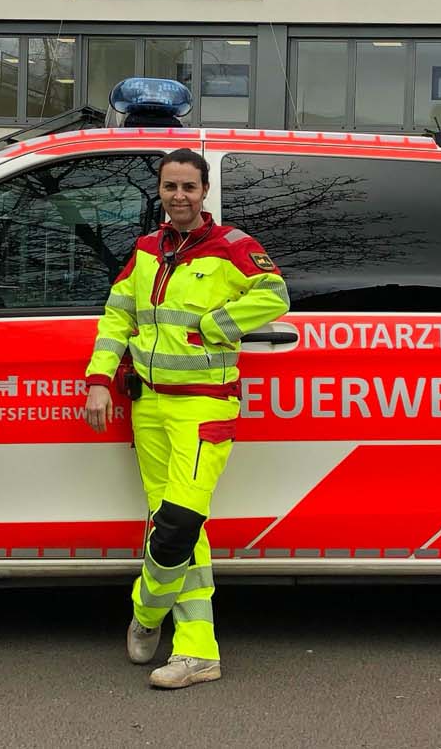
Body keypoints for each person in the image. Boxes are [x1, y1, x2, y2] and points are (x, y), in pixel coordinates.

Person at [82, 148, 290, 690]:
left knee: (177, 523)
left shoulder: (233, 246)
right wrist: (99, 379)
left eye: (189, 188)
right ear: (161, 191)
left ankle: (147, 612)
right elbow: (117, 316)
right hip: (148, 403)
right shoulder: (147, 249)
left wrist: (216, 327)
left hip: (204, 405)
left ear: (204, 193)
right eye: (170, 187)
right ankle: (198, 652)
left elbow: (275, 293)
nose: (179, 196)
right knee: (176, 526)